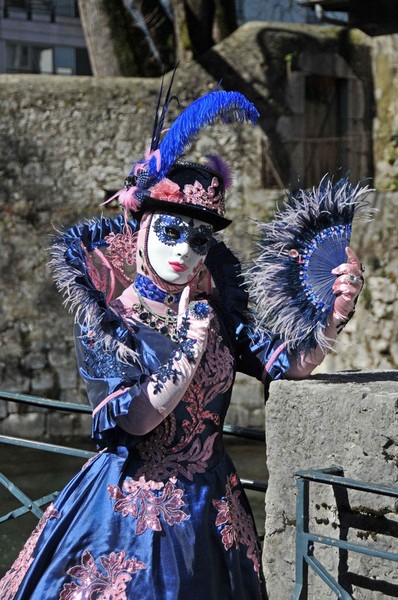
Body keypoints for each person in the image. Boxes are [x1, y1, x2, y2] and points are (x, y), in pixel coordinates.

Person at [0, 88, 364, 600]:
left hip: (215, 509)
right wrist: (191, 347)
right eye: (171, 231)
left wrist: (335, 314)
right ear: (144, 226)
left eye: (199, 240)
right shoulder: (109, 320)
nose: (183, 251)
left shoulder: (218, 313)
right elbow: (135, 419)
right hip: (132, 514)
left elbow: (284, 363)